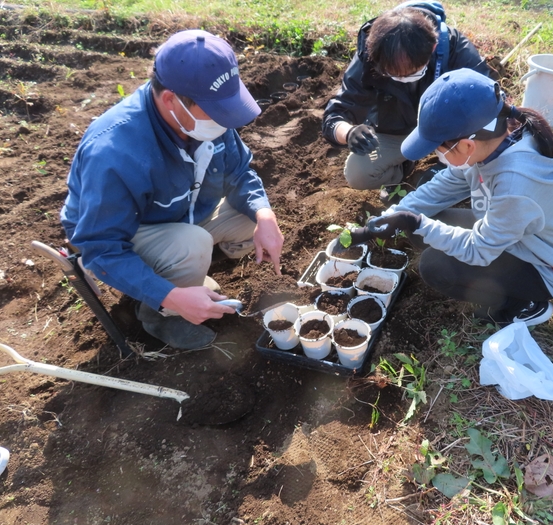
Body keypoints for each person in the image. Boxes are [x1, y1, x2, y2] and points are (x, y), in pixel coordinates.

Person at [60, 30, 285, 350]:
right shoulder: (114, 151)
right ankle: (159, 314)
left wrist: (265, 215)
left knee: (251, 218)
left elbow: (238, 172)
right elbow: (101, 245)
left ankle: (184, 270)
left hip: (181, 209)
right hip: (122, 231)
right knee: (192, 244)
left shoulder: (204, 116)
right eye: (216, 112)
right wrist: (172, 297)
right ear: (171, 101)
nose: (225, 122)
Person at [349, 68, 553, 327]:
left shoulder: (516, 185)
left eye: (439, 149)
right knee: (420, 222)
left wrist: (415, 222)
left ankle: (527, 305)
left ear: (466, 145)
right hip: (524, 237)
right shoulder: (499, 139)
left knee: (435, 265)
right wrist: (393, 217)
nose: (437, 156)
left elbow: (478, 251)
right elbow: (445, 184)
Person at [321, 1, 494, 203]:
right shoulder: (371, 55)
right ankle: (403, 172)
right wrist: (348, 132)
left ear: (433, 48)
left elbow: (491, 104)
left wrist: (449, 169)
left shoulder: (455, 50)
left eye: (412, 72)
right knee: (358, 173)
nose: (403, 78)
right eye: (392, 74)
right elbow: (335, 115)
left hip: (450, 130)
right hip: (398, 132)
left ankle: (451, 172)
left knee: (479, 157)